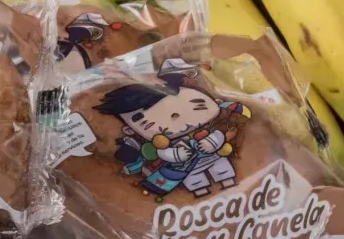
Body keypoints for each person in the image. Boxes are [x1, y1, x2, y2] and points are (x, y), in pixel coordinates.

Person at [97, 67, 246, 199]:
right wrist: (176, 155)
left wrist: (211, 142)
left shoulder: (211, 127)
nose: (175, 115)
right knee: (194, 179)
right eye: (141, 118)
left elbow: (218, 135)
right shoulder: (164, 143)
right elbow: (164, 153)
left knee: (222, 168)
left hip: (213, 157)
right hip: (187, 168)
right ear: (129, 130)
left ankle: (227, 183)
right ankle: (201, 191)